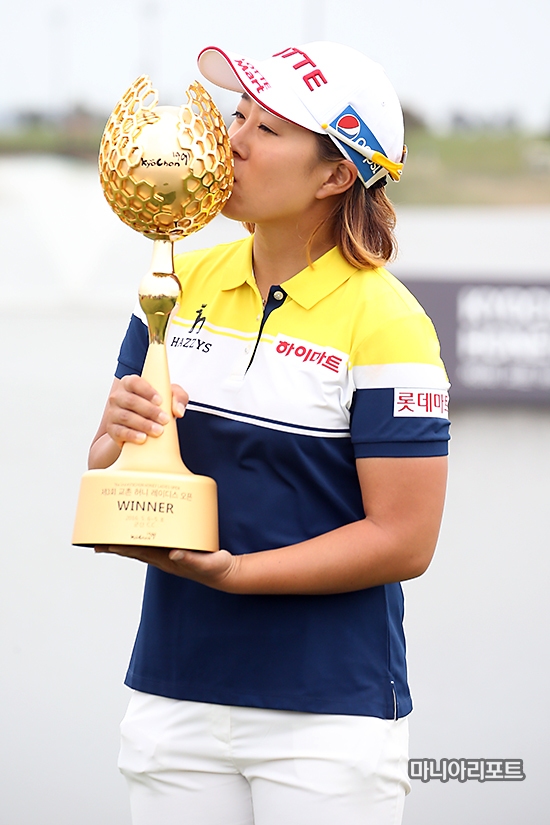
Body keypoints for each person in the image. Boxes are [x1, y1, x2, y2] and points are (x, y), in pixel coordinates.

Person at [91, 41, 450, 825]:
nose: (233, 141)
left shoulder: (389, 322)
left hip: (329, 714)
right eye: (238, 116)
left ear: (334, 175)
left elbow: (405, 540)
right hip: (175, 693)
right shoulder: (176, 281)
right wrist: (114, 437)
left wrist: (237, 573)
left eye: (268, 128)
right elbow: (113, 468)